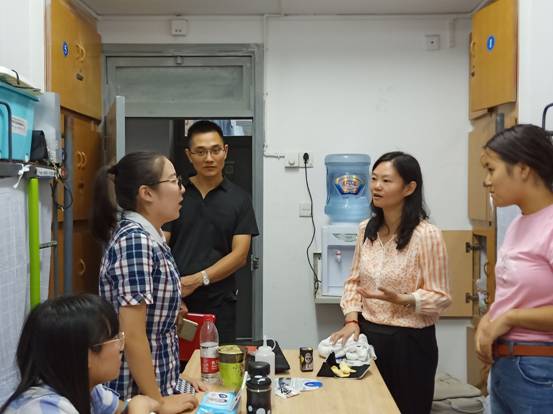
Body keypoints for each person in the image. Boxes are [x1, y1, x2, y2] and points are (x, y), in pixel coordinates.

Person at [330, 151, 451, 414]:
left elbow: (441, 297)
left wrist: (405, 299)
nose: (376, 186)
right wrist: (352, 321)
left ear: (409, 188)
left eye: (386, 180)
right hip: (368, 336)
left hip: (410, 343)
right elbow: (353, 282)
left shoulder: (427, 235)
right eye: (374, 179)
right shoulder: (366, 229)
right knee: (364, 408)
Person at [91, 151, 201, 410]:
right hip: (136, 394)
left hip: (160, 382)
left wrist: (178, 381)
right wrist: (158, 402)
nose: (182, 189)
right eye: (173, 181)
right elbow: (132, 334)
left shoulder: (152, 236)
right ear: (147, 193)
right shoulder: (135, 241)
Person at [475, 124, 553, 413]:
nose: (486, 181)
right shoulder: (519, 223)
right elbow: (515, 294)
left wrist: (509, 318)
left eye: (491, 169)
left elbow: (515, 310)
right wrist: (489, 319)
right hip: (507, 366)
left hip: (539, 369)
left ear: (522, 169)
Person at [164, 120, 259, 343]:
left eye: (215, 150)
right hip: (176, 301)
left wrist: (197, 280)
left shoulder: (240, 199)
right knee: (177, 361)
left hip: (220, 303)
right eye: (200, 152)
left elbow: (240, 255)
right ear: (189, 155)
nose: (209, 158)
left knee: (218, 360)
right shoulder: (175, 195)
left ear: (225, 151)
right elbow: (160, 246)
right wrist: (174, 290)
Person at [0, 294, 164, 414]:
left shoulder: (89, 388)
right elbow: (137, 407)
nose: (120, 347)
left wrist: (140, 405)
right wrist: (138, 406)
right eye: (114, 338)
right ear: (86, 356)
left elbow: (126, 409)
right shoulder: (42, 408)